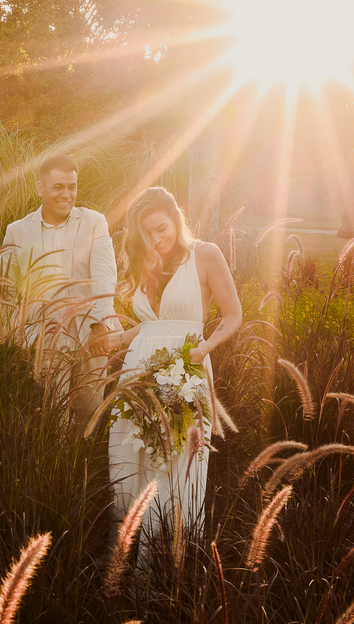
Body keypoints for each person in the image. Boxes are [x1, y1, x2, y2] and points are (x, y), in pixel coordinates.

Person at [106, 186, 242, 549]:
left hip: (184, 371)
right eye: (146, 233)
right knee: (127, 459)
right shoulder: (142, 261)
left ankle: (164, 565)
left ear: (177, 220)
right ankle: (124, 556)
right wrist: (117, 342)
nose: (155, 239)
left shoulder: (205, 255)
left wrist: (206, 347)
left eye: (161, 228)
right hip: (138, 374)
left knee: (172, 467)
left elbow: (233, 314)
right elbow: (152, 324)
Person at [0, 154, 120, 424]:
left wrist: (100, 324)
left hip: (91, 337)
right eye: (58, 187)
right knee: (53, 421)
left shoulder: (94, 222)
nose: (67, 194)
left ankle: (83, 466)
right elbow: (5, 290)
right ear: (41, 188)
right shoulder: (17, 231)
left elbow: (104, 275)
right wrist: (14, 339)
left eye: (72, 187)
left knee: (89, 416)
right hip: (44, 341)